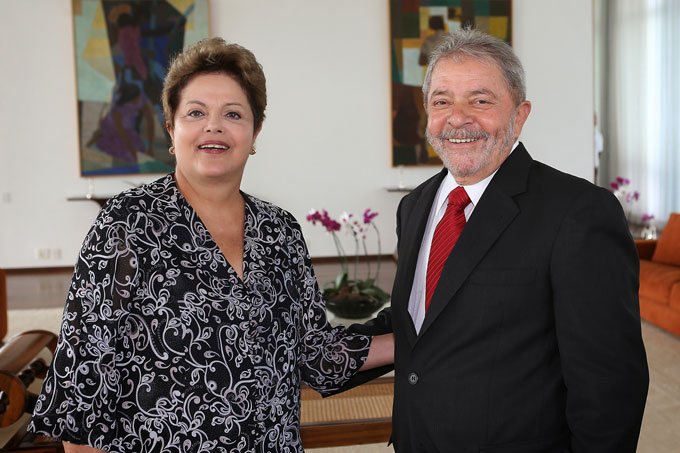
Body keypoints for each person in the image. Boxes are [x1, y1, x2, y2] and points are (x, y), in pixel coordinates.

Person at [28, 37, 393, 453]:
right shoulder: (127, 224)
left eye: (233, 114)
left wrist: (417, 336)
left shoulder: (280, 231)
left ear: (255, 132)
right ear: (171, 128)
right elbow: (84, 390)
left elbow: (316, 357)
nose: (213, 126)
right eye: (196, 113)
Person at [345, 29, 649, 452]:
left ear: (520, 115)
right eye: (441, 101)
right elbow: (421, 322)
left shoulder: (579, 212)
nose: (457, 117)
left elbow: (610, 381)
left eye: (480, 100)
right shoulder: (415, 206)